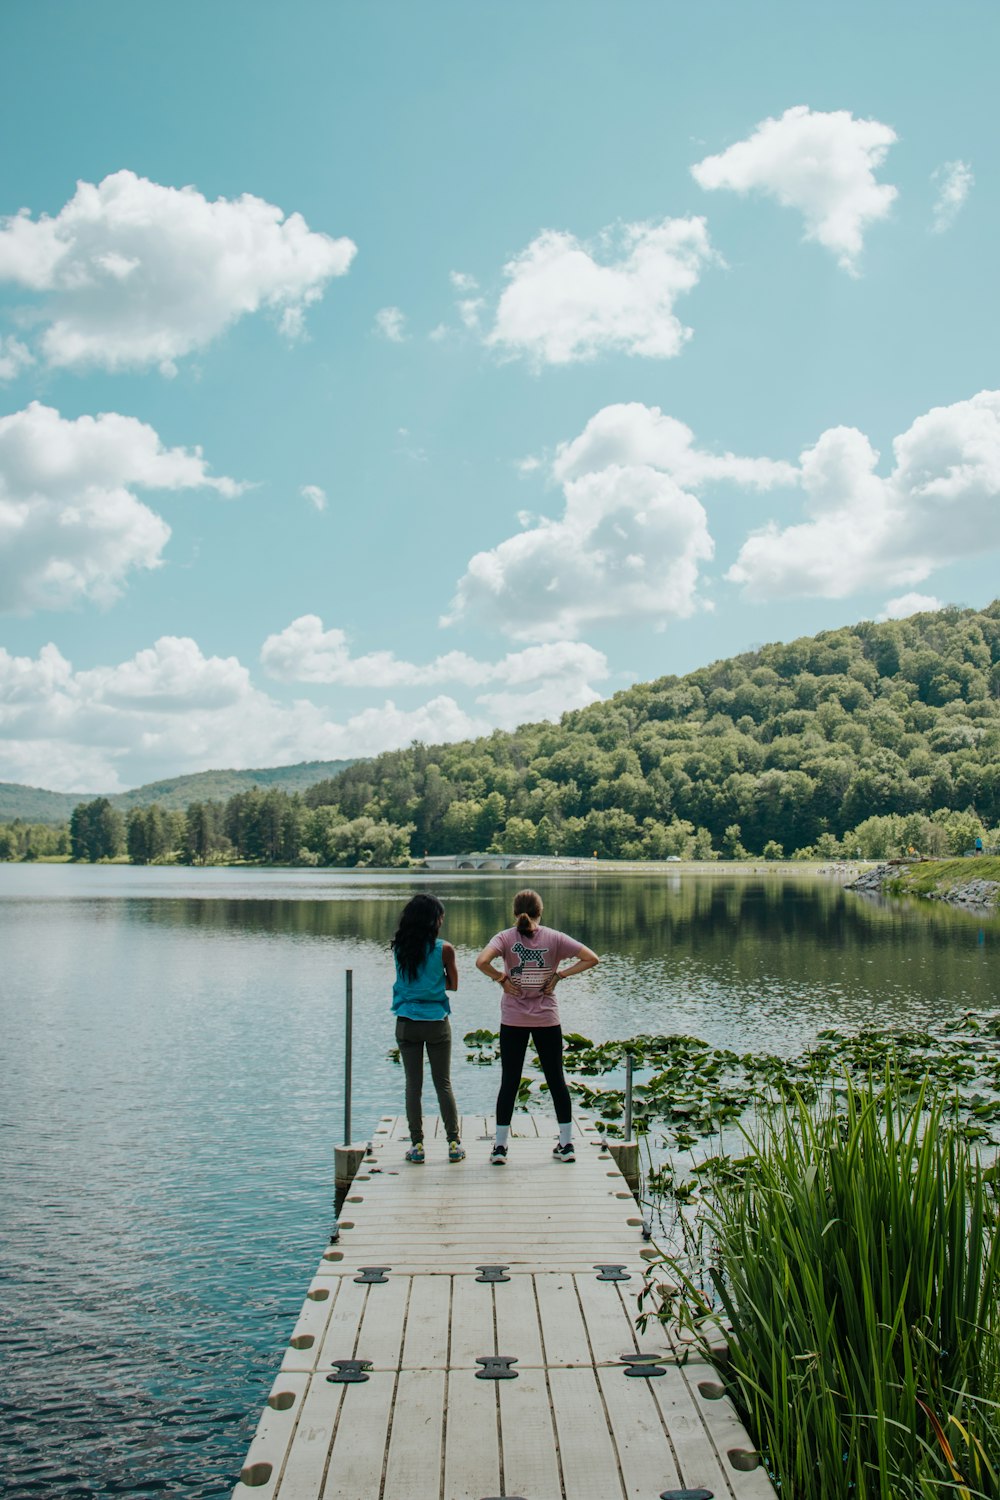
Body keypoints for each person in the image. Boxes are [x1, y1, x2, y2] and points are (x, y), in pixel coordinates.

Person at [475, 889, 599, 1166]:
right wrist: (559, 975)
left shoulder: (505, 937)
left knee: (510, 1081)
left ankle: (499, 1148)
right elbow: (592, 958)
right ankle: (566, 1144)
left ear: (514, 912)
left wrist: (500, 979)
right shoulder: (554, 938)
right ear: (540, 912)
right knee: (556, 1079)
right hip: (547, 1019)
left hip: (513, 1020)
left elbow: (481, 961)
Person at [391, 893, 464, 1163]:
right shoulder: (444, 949)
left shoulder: (399, 947)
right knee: (443, 1084)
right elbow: (453, 984)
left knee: (413, 1086)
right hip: (436, 1023)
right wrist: (436, 983)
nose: (442, 921)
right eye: (440, 916)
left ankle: (417, 1145)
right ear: (433, 920)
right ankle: (454, 1143)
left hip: (407, 1022)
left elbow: (408, 981)